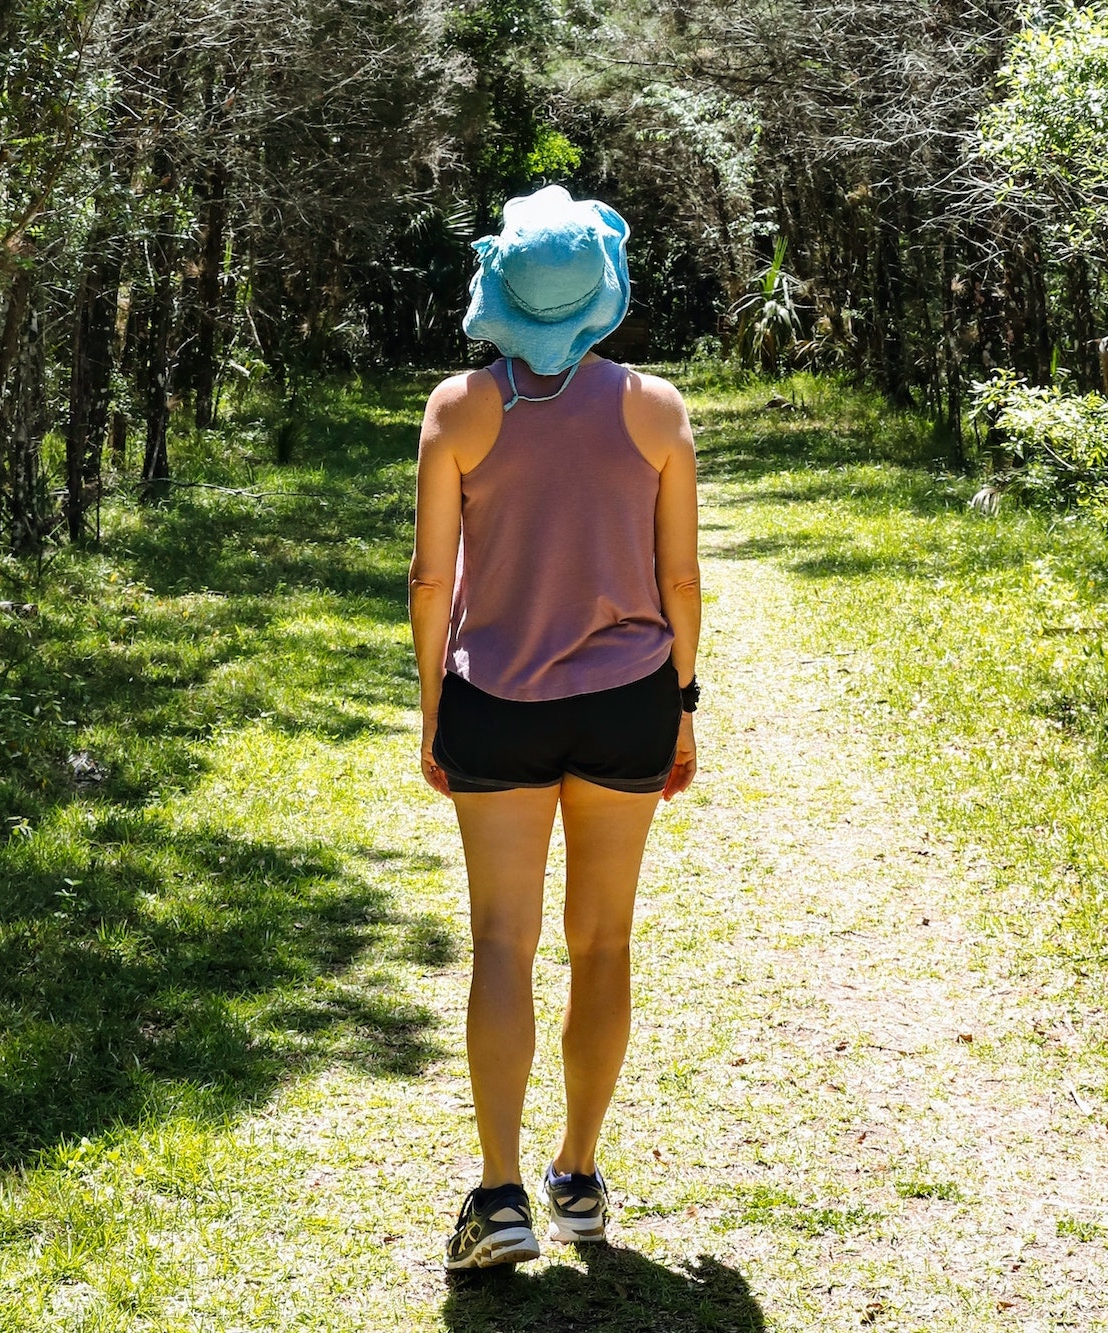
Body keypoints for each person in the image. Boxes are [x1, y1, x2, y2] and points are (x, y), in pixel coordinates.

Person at [408, 185, 702, 1269]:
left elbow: (433, 577)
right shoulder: (658, 410)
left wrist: (437, 709)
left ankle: (497, 1198)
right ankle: (577, 1176)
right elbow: (681, 579)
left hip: (495, 703)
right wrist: (681, 706)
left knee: (500, 942)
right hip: (629, 699)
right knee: (603, 942)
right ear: (600, 295)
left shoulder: (458, 410)